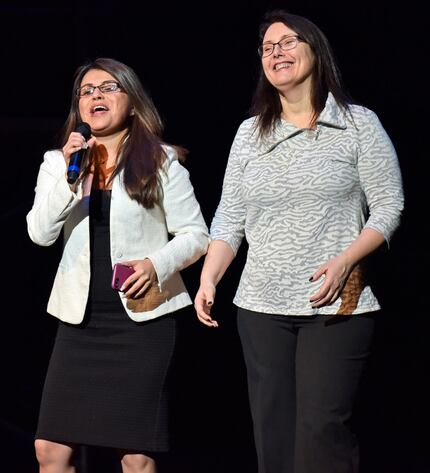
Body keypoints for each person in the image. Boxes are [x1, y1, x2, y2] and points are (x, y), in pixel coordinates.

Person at [194, 9, 403, 473]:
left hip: (335, 306)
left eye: (287, 42)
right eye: (268, 48)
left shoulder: (357, 124)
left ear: (315, 50)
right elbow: (230, 217)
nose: (276, 53)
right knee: (273, 433)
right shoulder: (250, 133)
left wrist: (346, 260)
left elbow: (389, 207)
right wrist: (209, 278)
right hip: (260, 305)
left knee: (321, 432)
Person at [27, 57, 209, 473]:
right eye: (86, 91)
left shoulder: (160, 160)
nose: (95, 96)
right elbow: (39, 234)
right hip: (79, 321)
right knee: (49, 451)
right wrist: (70, 182)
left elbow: (197, 236)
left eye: (108, 88)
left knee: (136, 456)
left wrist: (155, 263)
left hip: (142, 321)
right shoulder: (58, 164)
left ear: (132, 100)